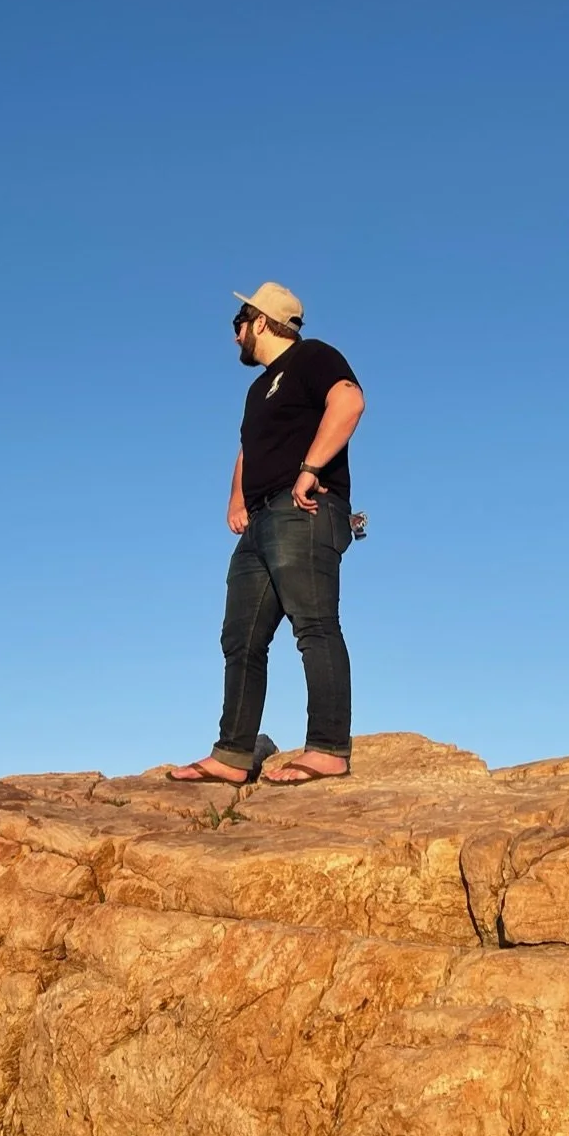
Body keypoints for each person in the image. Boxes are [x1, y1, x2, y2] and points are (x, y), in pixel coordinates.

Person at [169, 283, 365, 786]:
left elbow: (349, 401)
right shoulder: (258, 389)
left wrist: (310, 467)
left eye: (239, 320)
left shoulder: (313, 357)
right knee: (240, 638)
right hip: (260, 521)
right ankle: (232, 754)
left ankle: (327, 749)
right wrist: (236, 500)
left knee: (314, 625)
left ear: (260, 321)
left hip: (305, 508)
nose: (234, 333)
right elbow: (246, 450)